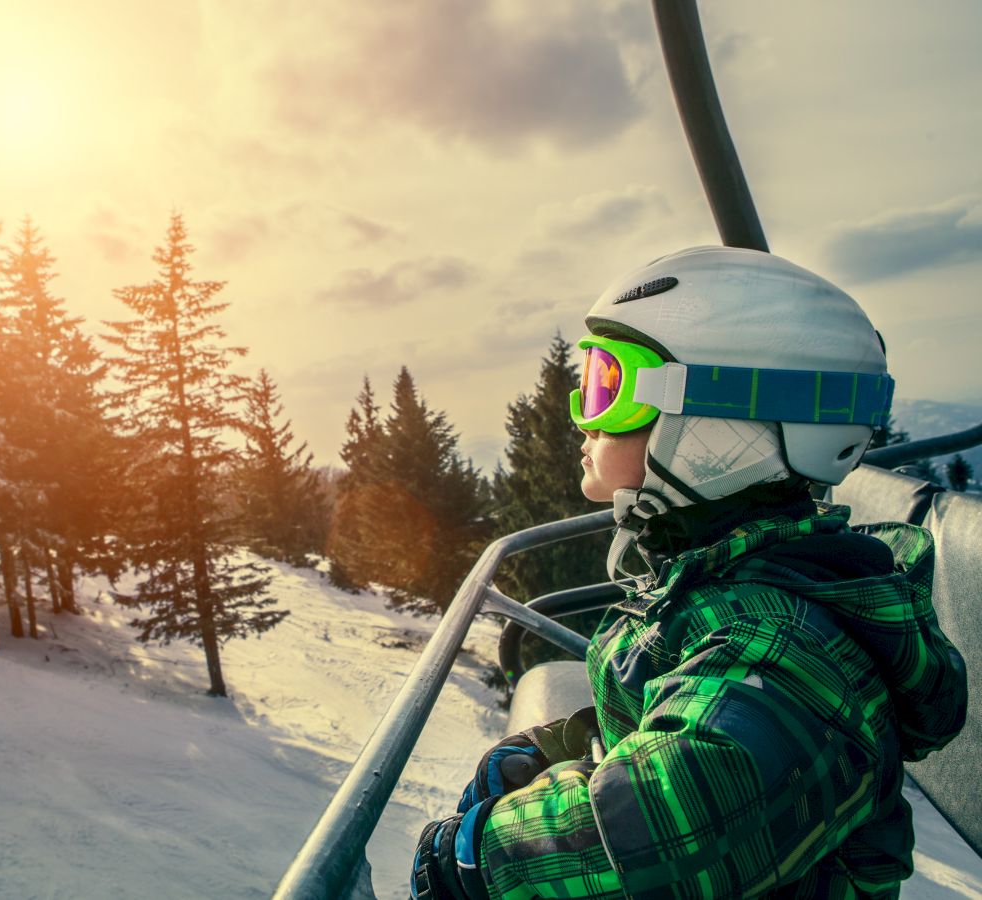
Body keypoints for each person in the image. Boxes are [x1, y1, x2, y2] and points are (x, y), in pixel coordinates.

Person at [410, 246, 967, 899]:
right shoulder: (714, 577)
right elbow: (679, 702)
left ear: (715, 422)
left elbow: (673, 825)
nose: (580, 418)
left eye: (608, 387)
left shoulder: (789, 647)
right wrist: (568, 743)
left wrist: (475, 856)